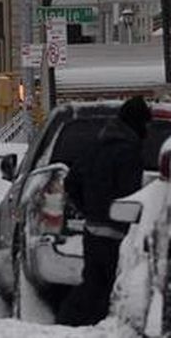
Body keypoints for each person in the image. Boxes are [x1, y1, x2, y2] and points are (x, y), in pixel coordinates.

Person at [57, 96, 152, 326]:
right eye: (146, 123)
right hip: (120, 233)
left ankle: (75, 323)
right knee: (114, 288)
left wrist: (88, 209)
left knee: (93, 286)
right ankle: (80, 324)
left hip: (94, 230)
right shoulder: (128, 152)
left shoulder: (97, 145)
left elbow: (71, 182)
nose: (148, 129)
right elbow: (130, 193)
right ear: (137, 122)